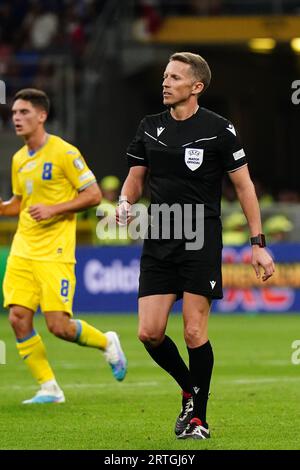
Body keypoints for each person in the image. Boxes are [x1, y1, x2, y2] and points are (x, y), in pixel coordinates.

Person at [117, 52, 275, 440]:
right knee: (149, 333)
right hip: (159, 235)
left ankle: (198, 418)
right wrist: (125, 201)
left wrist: (258, 244)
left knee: (192, 331)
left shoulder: (219, 129)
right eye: (165, 77)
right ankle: (189, 390)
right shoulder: (150, 126)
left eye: (174, 78)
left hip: (200, 237)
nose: (165, 83)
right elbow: (135, 178)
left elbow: (244, 187)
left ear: (196, 87)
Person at [0, 88, 127, 404]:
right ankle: (49, 387)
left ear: (41, 116)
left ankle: (106, 341)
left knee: (58, 326)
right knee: (17, 317)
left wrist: (54, 209)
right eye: (14, 113)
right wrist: (3, 207)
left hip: (54, 251)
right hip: (23, 248)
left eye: (24, 112)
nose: (17, 118)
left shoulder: (64, 152)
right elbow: (21, 202)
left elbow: (94, 194)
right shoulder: (18, 159)